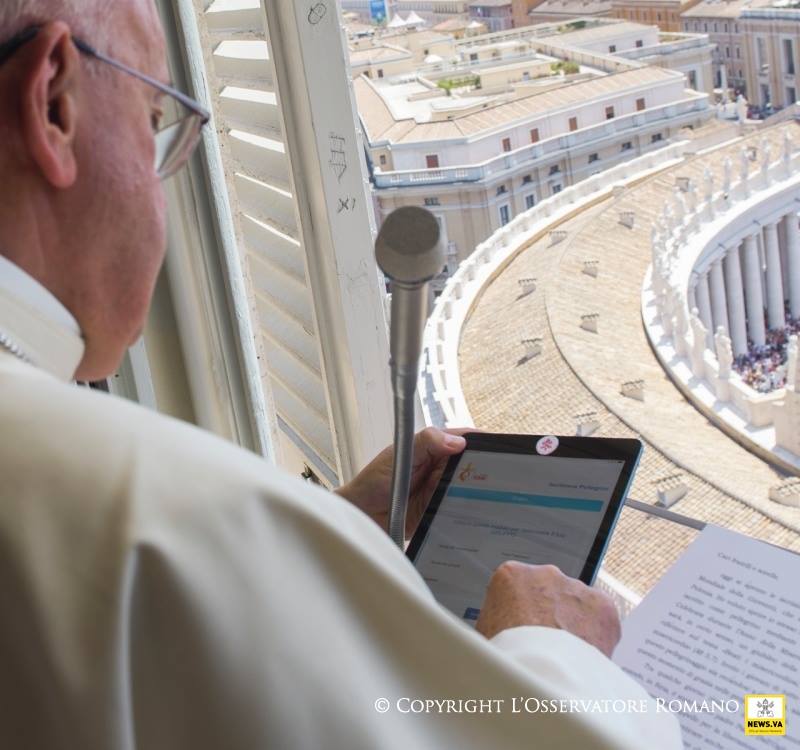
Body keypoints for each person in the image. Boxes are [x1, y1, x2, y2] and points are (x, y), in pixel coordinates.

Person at [0, 2, 682, 748]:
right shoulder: (148, 512)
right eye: (156, 120)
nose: (164, 190)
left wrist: (333, 536)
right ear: (54, 103)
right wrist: (560, 654)